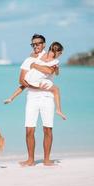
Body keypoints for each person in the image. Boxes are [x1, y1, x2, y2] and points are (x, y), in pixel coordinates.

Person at [17, 34, 62, 166]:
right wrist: (35, 86)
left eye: (38, 43)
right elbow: (21, 80)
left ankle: (47, 159)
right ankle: (30, 160)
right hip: (32, 96)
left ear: (44, 44)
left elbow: (50, 70)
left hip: (47, 96)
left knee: (47, 129)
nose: (35, 46)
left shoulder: (50, 56)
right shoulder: (27, 60)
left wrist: (36, 66)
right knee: (29, 130)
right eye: (33, 44)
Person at [4, 42, 67, 120]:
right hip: (39, 79)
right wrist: (54, 69)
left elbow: (54, 72)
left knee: (23, 86)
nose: (60, 55)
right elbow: (52, 72)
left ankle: (11, 98)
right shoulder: (55, 61)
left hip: (31, 75)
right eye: (60, 53)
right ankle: (58, 110)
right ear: (56, 51)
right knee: (56, 89)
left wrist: (56, 69)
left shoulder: (42, 55)